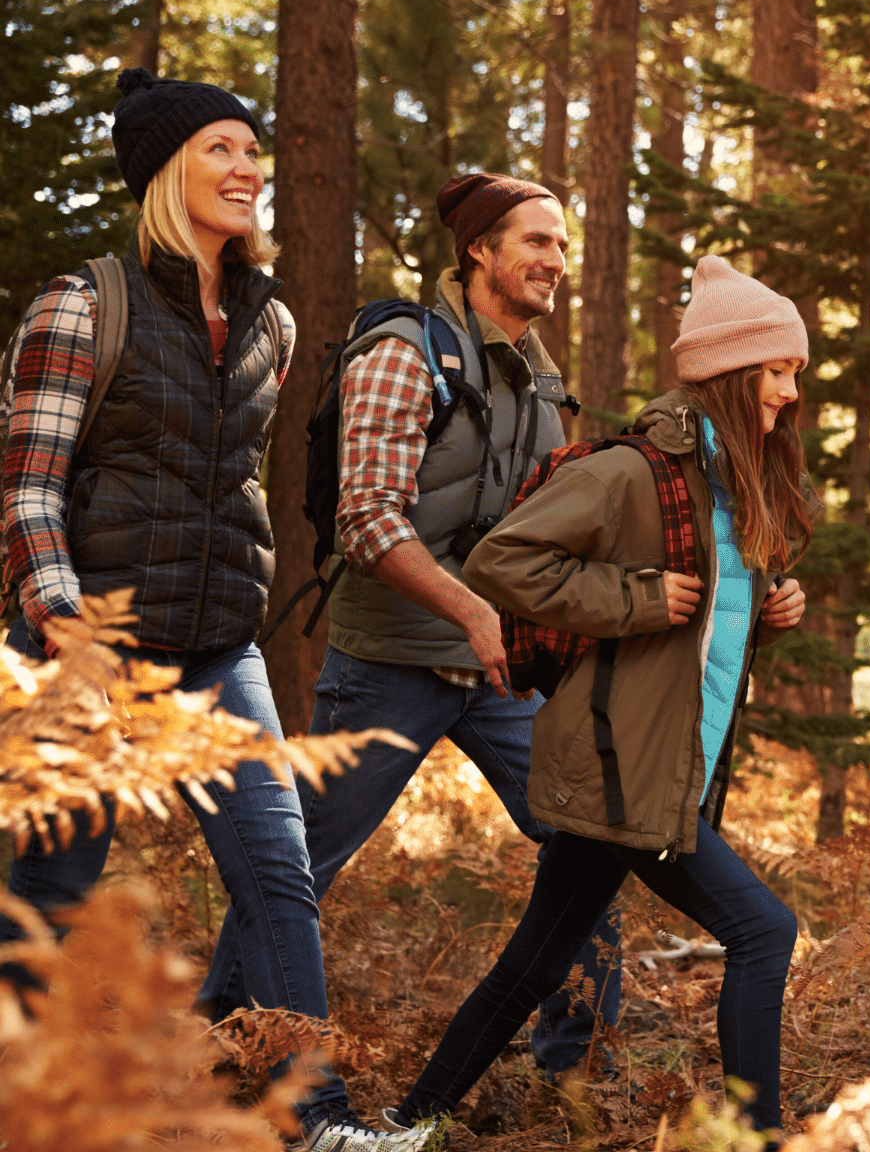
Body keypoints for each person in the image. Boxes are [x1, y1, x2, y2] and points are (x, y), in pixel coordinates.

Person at [0, 68, 434, 1152]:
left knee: (278, 869)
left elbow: (229, 481)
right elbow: (27, 486)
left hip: (218, 649)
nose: (248, 170)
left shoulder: (270, 324)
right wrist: (63, 620)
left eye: (254, 152)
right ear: (164, 172)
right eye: (222, 150)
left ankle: (316, 1118)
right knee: (54, 889)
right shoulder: (84, 302)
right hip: (87, 644)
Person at [199, 172, 623, 1080]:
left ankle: (581, 1075)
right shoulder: (403, 351)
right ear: (480, 251)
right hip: (390, 657)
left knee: (590, 838)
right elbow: (367, 519)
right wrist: (474, 609)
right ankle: (227, 1044)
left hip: (501, 667)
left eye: (561, 244)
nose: (557, 261)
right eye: (537, 242)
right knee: (301, 866)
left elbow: (566, 524)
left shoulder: (542, 377)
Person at [381, 255, 811, 1139]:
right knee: (764, 932)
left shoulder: (732, 481)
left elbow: (701, 624)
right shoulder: (634, 473)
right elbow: (504, 560)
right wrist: (634, 600)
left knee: (535, 964)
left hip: (653, 760)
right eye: (779, 370)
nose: (790, 392)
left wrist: (764, 616)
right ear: (730, 372)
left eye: (795, 372)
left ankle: (402, 1123)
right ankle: (758, 1139)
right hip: (622, 766)